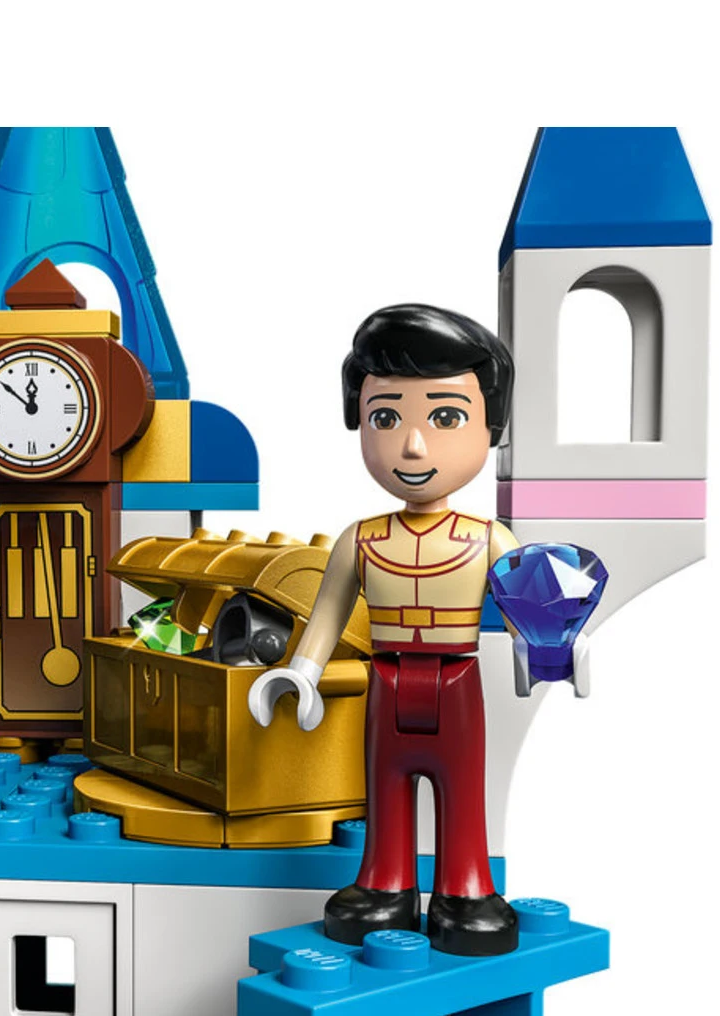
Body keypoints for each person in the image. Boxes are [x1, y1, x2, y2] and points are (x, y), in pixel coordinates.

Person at [249, 301, 581, 957]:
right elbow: (326, 616)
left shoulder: (488, 538)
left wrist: (563, 646)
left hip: (457, 683)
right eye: (385, 417)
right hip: (388, 680)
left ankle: (466, 889)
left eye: (446, 417)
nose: (414, 445)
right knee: (385, 790)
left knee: (464, 791)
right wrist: (301, 672)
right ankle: (385, 883)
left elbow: (532, 611)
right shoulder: (361, 539)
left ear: (491, 427)